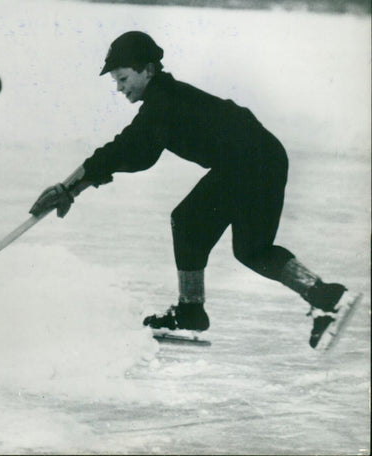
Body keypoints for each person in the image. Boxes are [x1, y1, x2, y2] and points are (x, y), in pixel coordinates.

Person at [29, 31, 354, 350]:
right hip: (263, 157)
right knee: (251, 250)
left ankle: (190, 313)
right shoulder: (164, 98)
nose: (119, 87)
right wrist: (74, 187)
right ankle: (327, 297)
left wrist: (69, 187)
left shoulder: (162, 102)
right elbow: (135, 153)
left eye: (124, 78)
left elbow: (125, 149)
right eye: (116, 80)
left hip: (249, 161)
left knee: (188, 222)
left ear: (148, 70)